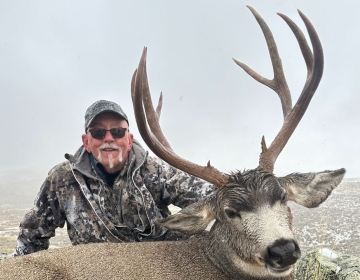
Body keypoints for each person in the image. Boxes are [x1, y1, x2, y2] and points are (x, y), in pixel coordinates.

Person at [15, 100, 214, 255]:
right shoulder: (62, 180)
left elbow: (210, 197)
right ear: (86, 141)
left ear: (129, 139)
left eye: (117, 132)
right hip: (99, 271)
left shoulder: (156, 170)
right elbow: (32, 235)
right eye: (99, 132)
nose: (109, 138)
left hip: (161, 266)